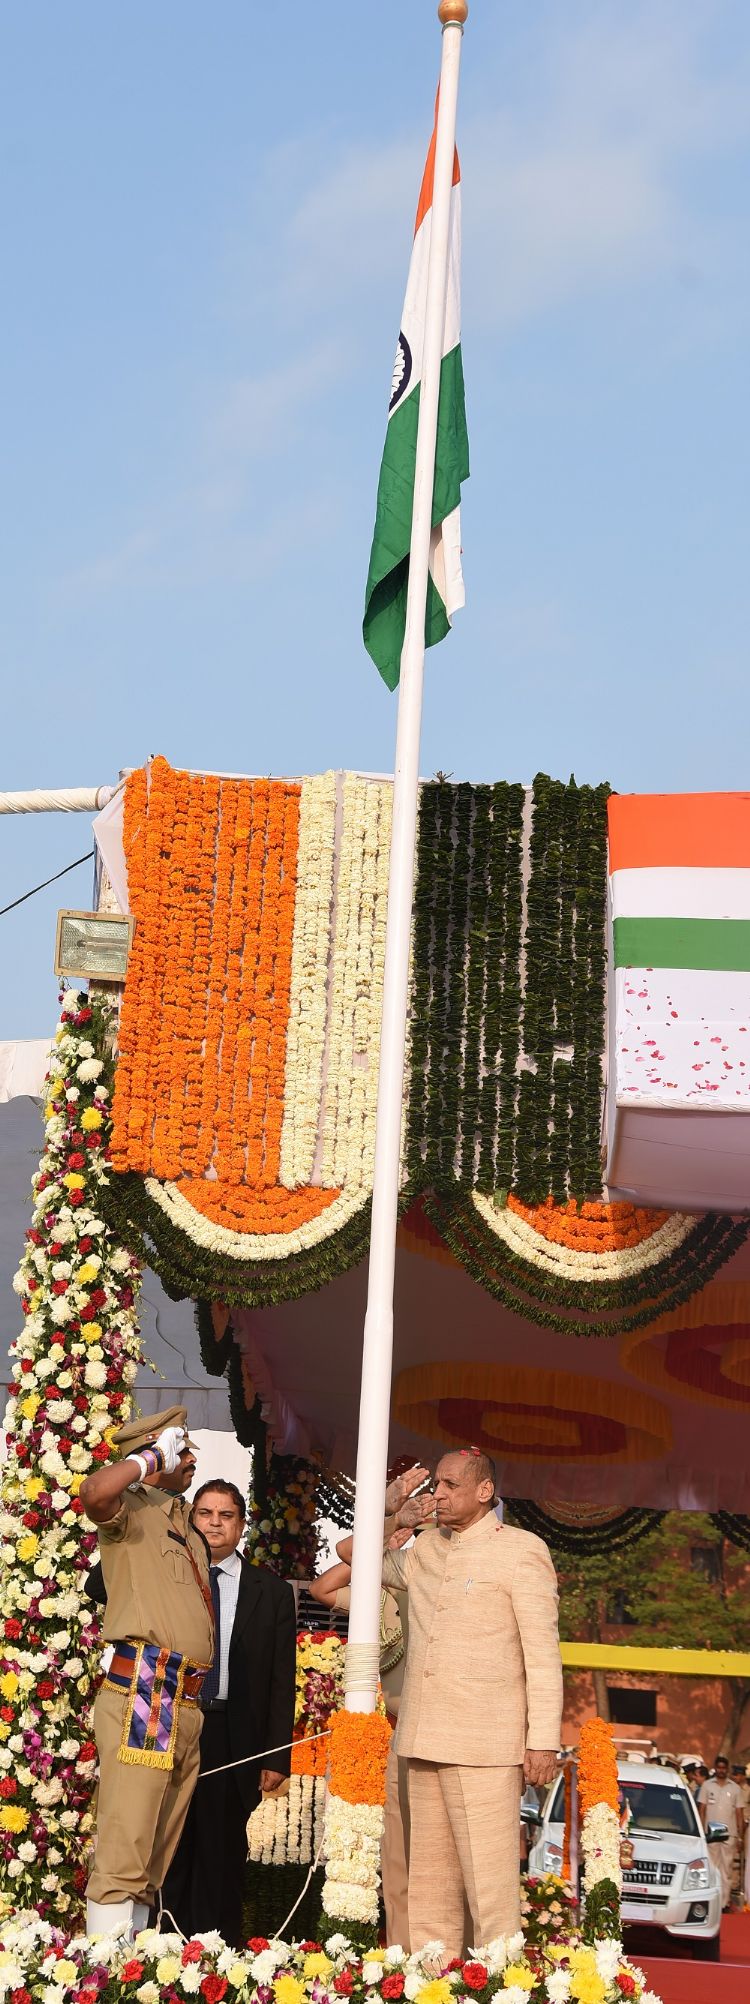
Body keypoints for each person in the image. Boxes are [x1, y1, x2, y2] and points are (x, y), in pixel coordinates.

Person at [379, 1448, 563, 1955]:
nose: (437, 1494)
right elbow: (355, 1555)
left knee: (490, 1892)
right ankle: (433, 1984)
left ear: (485, 1491)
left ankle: (499, 1984)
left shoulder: (522, 1550)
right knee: (428, 1891)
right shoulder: (426, 1547)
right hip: (423, 1737)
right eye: (435, 1484)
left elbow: (542, 1655)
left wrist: (542, 1741)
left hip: (486, 1745)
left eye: (450, 1485)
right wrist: (392, 1513)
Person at [80, 1408, 215, 1938]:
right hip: (146, 1690)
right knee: (127, 1844)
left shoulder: (183, 1522)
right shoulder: (132, 1508)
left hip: (185, 1699)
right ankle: (103, 1969)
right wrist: (149, 1460)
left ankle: (131, 1963)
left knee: (156, 1849)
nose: (191, 1457)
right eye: (182, 1448)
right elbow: (94, 1493)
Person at [161, 1479, 296, 1946]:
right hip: (174, 1725)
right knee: (172, 1845)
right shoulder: (171, 1577)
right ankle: (163, 1951)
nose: (214, 1523)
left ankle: (218, 1957)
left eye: (226, 1515)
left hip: (233, 1736)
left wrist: (276, 1756)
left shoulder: (271, 1591)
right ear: (190, 1520)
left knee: (222, 1852)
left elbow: (281, 1679)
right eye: (205, 1513)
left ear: (241, 1525)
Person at [311, 1524, 411, 1947]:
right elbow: (322, 1587)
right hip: (387, 1734)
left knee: (427, 1851)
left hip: (431, 1729)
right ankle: (398, 1947)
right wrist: (385, 1534)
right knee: (392, 1851)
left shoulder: (425, 1583)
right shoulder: (375, 1593)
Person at [698, 1754, 745, 1911]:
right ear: (715, 1768)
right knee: (712, 1867)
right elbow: (702, 1810)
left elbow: (739, 1813)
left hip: (729, 1832)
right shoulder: (707, 1785)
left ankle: (724, 1903)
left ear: (727, 1769)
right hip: (712, 1831)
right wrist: (700, 1831)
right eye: (719, 1767)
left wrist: (740, 1837)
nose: (721, 1770)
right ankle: (712, 1901)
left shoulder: (735, 1788)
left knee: (727, 1869)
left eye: (724, 1768)